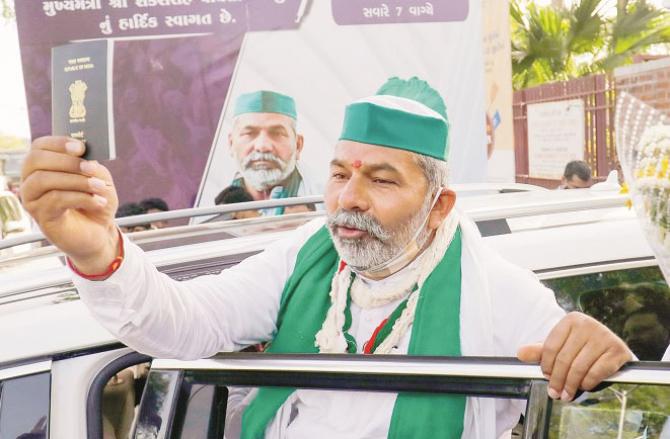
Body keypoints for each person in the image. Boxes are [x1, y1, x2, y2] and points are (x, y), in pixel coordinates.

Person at [20, 77, 632, 438]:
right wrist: (98, 250)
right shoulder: (304, 256)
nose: (348, 200)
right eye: (339, 174)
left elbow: (596, 394)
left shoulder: (500, 293)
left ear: (440, 205)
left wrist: (598, 358)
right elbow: (183, 327)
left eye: (382, 181)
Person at [227, 90, 320, 213]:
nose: (262, 146)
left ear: (298, 145)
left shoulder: (326, 202)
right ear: (231, 144)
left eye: (277, 133)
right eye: (249, 133)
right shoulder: (202, 207)